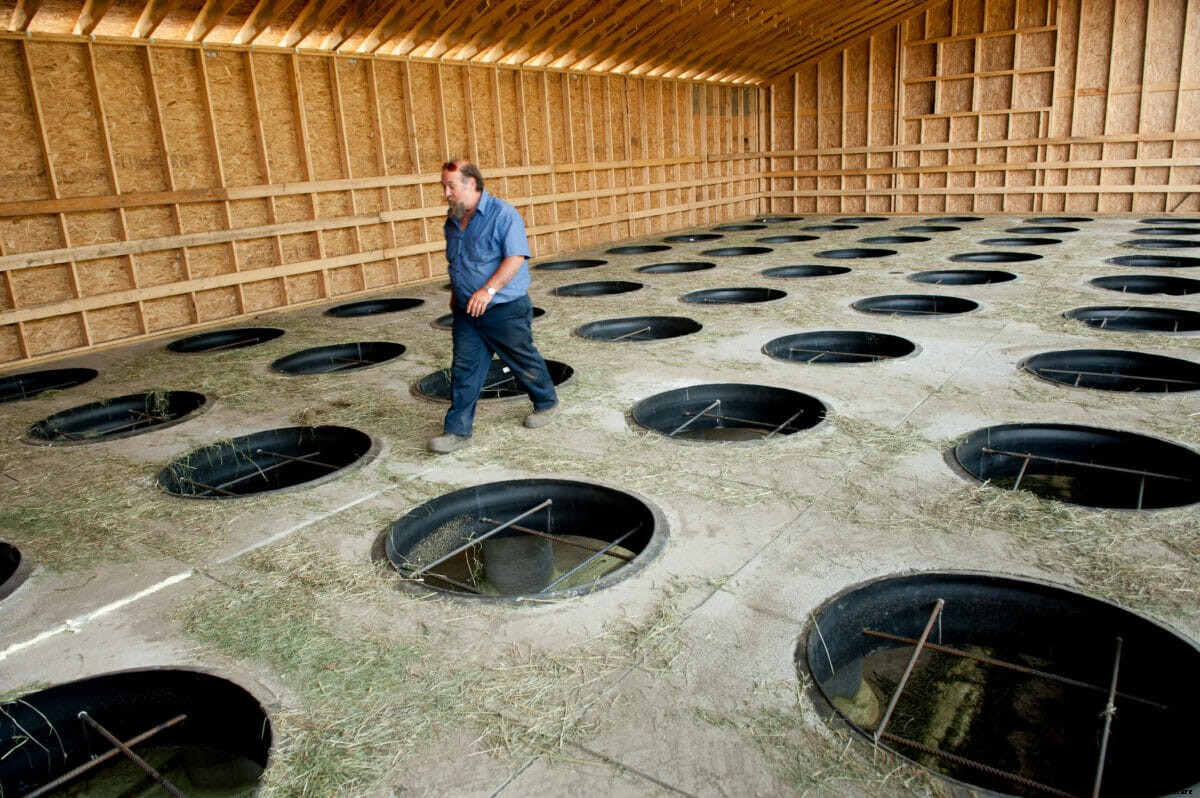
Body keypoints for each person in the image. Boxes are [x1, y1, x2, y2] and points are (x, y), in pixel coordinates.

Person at [428, 159, 559, 454]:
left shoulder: (503, 214)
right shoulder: (454, 219)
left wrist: (488, 290)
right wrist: (455, 299)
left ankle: (546, 402)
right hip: (466, 310)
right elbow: (457, 263)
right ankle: (458, 431)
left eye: (451, 186)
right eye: (443, 186)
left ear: (471, 184)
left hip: (504, 306)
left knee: (521, 359)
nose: (446, 193)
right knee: (464, 369)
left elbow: (515, 258)